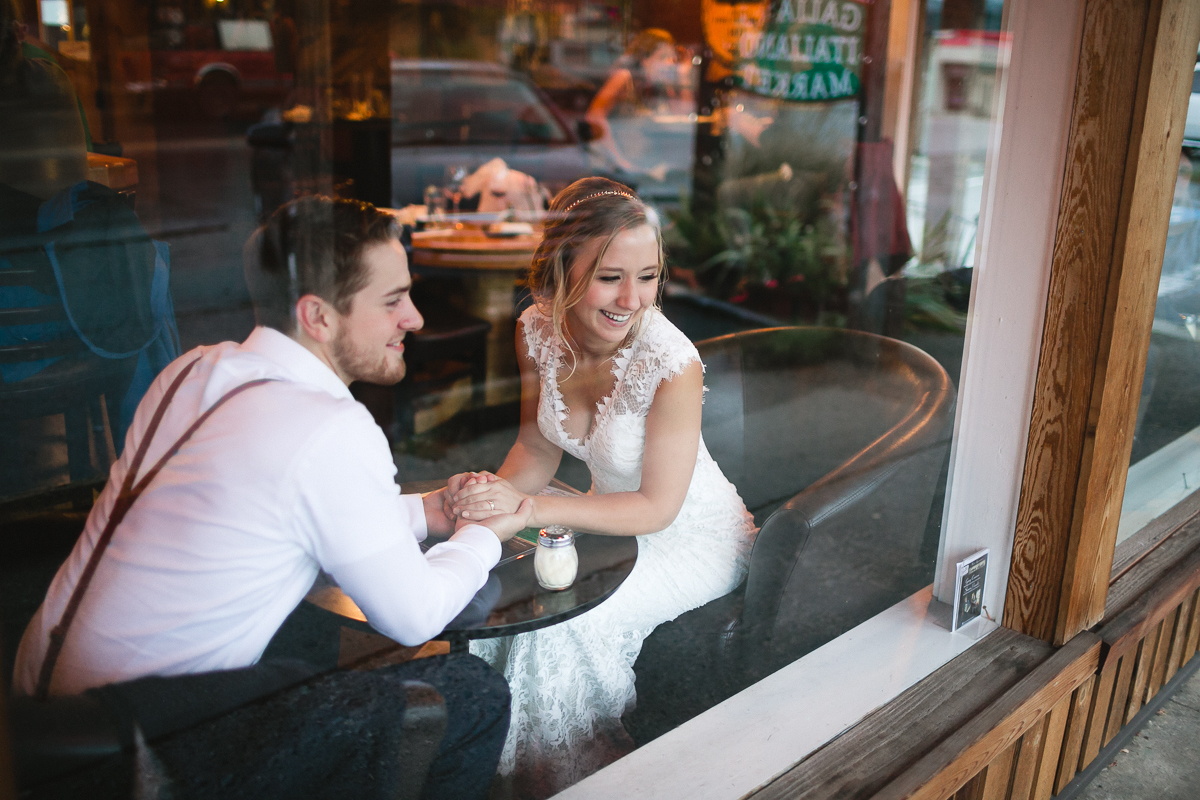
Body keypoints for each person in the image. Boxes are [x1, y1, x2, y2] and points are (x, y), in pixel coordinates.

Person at [12, 195, 533, 799]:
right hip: (135, 752)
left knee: (304, 646)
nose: (414, 319)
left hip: (39, 711)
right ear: (318, 316)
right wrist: (480, 537)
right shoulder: (327, 426)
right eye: (392, 301)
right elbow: (412, 616)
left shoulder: (194, 369)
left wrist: (433, 511)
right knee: (472, 693)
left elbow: (300, 510)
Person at [446, 177, 758, 796]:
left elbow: (657, 507)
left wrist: (526, 508)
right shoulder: (535, 330)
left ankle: (578, 779)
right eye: (611, 276)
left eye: (648, 276)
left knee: (558, 624)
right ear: (562, 270)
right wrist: (493, 502)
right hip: (607, 513)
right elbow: (535, 449)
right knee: (499, 581)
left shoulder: (672, 362)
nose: (633, 299)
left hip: (690, 538)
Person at [585, 29, 695, 181]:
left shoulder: (661, 86)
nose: (669, 63)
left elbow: (685, 118)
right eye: (662, 57)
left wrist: (684, 78)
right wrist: (619, 162)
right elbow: (594, 117)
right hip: (624, 168)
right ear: (644, 59)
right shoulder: (624, 78)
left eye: (672, 58)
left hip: (649, 166)